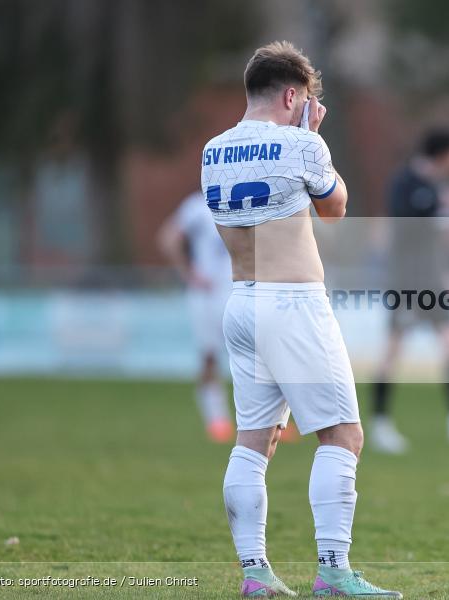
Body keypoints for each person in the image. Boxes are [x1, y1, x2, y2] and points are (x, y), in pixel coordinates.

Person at [201, 41, 401, 598]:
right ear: (294, 95)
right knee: (343, 434)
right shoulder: (300, 143)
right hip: (293, 303)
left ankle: (255, 574)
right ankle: (334, 571)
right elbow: (335, 210)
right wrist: (313, 140)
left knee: (253, 442)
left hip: (241, 301)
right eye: (305, 100)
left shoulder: (212, 149)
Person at [370, 128, 449, 454]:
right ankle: (380, 423)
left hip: (433, 280)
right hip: (407, 280)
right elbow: (410, 231)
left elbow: (443, 237)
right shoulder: (406, 183)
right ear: (445, 153)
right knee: (393, 350)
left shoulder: (440, 187)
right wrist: (447, 207)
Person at [158, 191, 235, 443]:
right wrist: (190, 274)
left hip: (241, 290)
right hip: (207, 294)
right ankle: (217, 421)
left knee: (258, 356)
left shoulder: (245, 199)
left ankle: (272, 421)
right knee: (210, 356)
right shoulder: (197, 206)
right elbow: (168, 238)